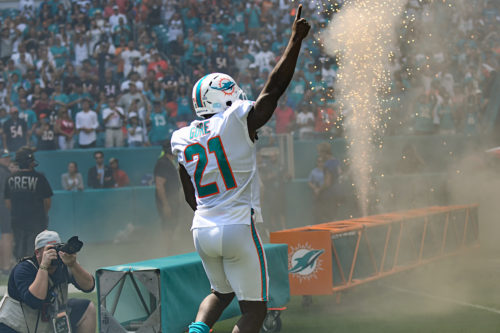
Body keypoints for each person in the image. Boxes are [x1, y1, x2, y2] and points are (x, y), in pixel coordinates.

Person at [171, 6, 310, 333]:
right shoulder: (234, 121)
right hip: (237, 226)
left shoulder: (180, 137)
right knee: (254, 311)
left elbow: (189, 195)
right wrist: (295, 40)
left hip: (202, 229)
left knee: (220, 292)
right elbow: (274, 89)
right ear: (225, 99)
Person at [0, 230, 96, 333]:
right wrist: (44, 266)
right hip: (14, 326)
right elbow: (34, 300)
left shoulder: (65, 264)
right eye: (50, 249)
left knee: (87, 308)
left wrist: (73, 265)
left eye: (57, 248)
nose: (54, 253)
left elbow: (89, 286)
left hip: (45, 321)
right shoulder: (24, 269)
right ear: (37, 253)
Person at [4, 147, 53, 260]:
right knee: (36, 249)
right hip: (37, 220)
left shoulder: (10, 179)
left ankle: (22, 271)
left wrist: (16, 213)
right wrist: (42, 215)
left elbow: (8, 203)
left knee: (19, 249)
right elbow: (47, 202)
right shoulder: (39, 178)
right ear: (30, 162)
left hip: (17, 220)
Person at [154, 140, 181, 233]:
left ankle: (171, 246)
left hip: (172, 200)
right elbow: (159, 185)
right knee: (168, 226)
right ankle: (167, 247)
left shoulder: (170, 162)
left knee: (173, 225)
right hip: (168, 201)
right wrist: (165, 205)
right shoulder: (163, 163)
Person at [0, 151, 13, 275]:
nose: (7, 159)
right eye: (4, 157)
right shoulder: (4, 172)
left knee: (5, 235)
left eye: (8, 157)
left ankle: (3, 264)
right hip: (4, 206)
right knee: (7, 235)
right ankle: (5, 266)